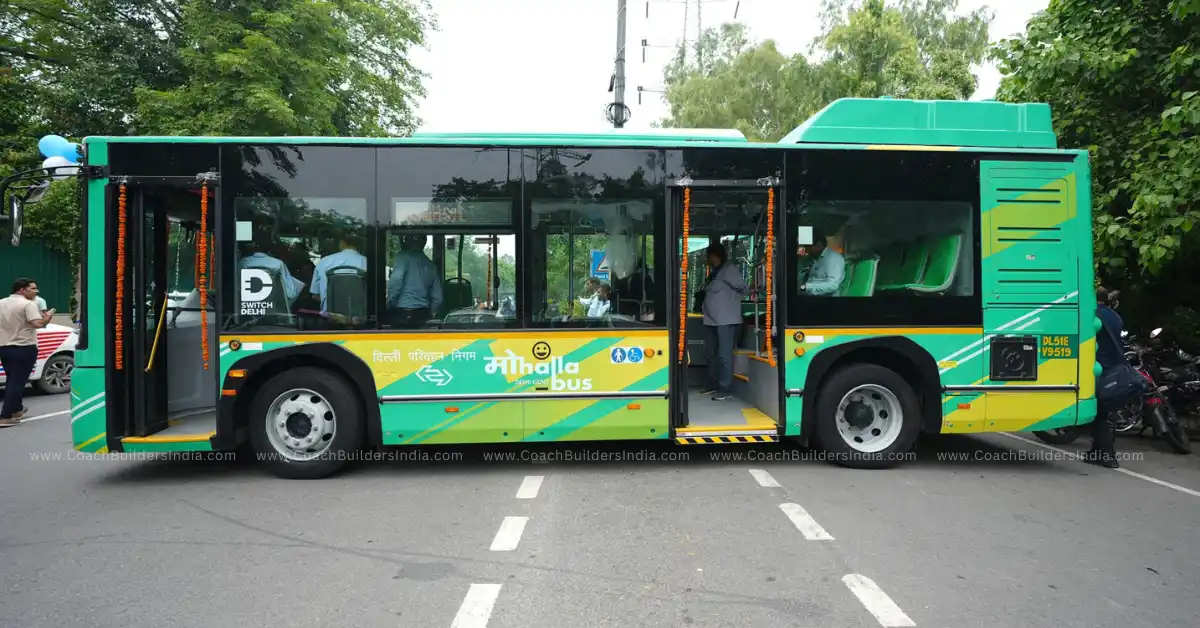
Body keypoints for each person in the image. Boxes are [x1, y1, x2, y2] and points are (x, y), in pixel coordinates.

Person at [0, 278, 55, 426]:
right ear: (22, 290)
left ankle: (17, 409)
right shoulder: (27, 304)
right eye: (33, 288)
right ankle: (5, 416)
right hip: (24, 347)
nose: (36, 291)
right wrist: (48, 317)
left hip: (4, 347)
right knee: (17, 382)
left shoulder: (1, 302)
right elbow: (37, 324)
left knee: (13, 379)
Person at [700, 243, 749, 401]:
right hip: (710, 319)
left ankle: (724, 387)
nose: (708, 260)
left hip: (725, 319)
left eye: (710, 257)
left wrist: (732, 301)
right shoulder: (714, 272)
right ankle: (713, 382)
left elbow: (744, 289)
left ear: (716, 256)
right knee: (710, 352)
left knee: (724, 354)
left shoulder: (729, 270)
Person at [1089, 286, 1130, 468]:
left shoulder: (1094, 314)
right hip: (1115, 366)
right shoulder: (1115, 316)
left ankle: (1107, 455)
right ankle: (1097, 452)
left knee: (1102, 412)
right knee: (1106, 411)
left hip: (1101, 366)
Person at [386, 234, 443, 329]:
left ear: (407, 241)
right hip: (423, 315)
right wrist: (431, 314)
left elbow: (396, 280)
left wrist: (391, 302)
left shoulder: (402, 257)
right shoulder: (431, 265)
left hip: (402, 313)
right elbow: (438, 298)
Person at [238, 230, 304, 308]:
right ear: (270, 248)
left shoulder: (242, 263)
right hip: (272, 309)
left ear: (252, 246)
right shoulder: (278, 264)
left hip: (245, 308)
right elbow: (291, 293)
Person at [310, 234, 368, 313]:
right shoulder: (366, 262)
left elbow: (315, 295)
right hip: (360, 318)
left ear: (342, 243)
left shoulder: (324, 261)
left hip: (330, 318)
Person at [798, 229, 845, 296]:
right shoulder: (817, 259)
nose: (807, 251)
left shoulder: (833, 258)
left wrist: (805, 287)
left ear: (818, 245)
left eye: (808, 248)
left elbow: (833, 285)